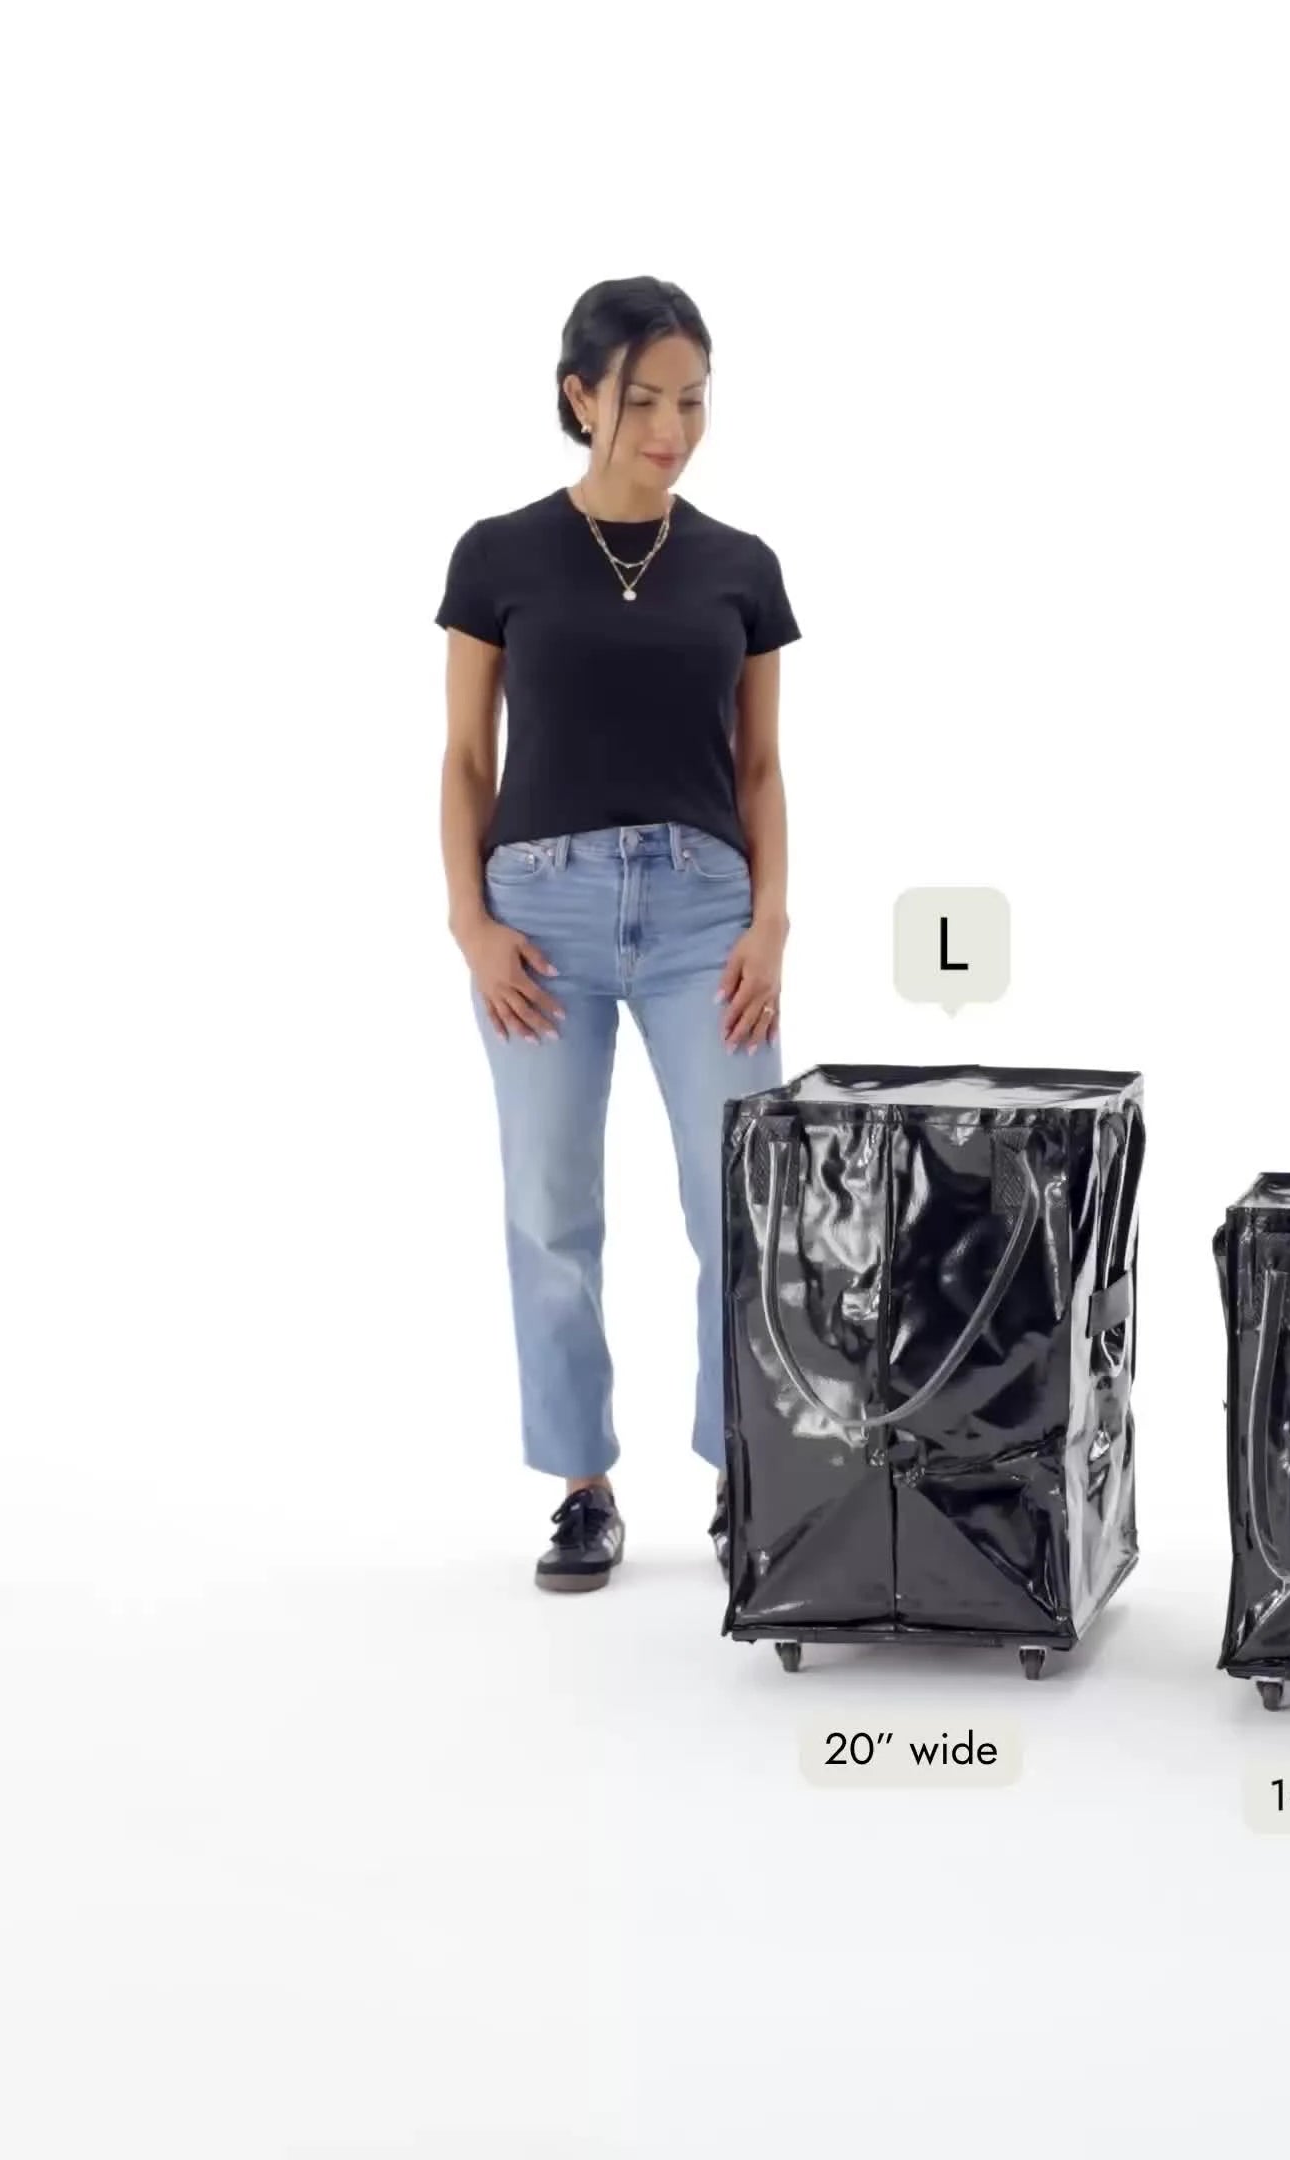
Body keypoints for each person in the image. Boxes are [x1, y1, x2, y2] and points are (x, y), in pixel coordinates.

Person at [437, 277, 797, 1593]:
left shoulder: (739, 566)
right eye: (642, 400)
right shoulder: (498, 556)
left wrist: (770, 922)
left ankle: (743, 1476)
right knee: (550, 1208)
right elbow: (467, 759)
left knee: (743, 1206)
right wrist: (471, 922)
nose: (671, 427)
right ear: (581, 396)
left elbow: (759, 770)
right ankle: (583, 1487)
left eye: (691, 400)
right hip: (542, 915)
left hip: (708, 911)